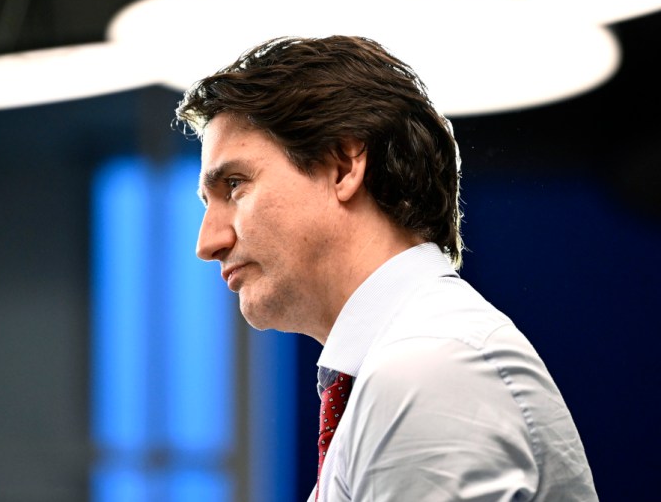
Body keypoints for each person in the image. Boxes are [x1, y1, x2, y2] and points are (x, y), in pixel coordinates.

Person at [174, 35, 597, 501]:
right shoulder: (406, 365)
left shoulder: (432, 368)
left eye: (234, 185)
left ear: (341, 168)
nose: (207, 243)